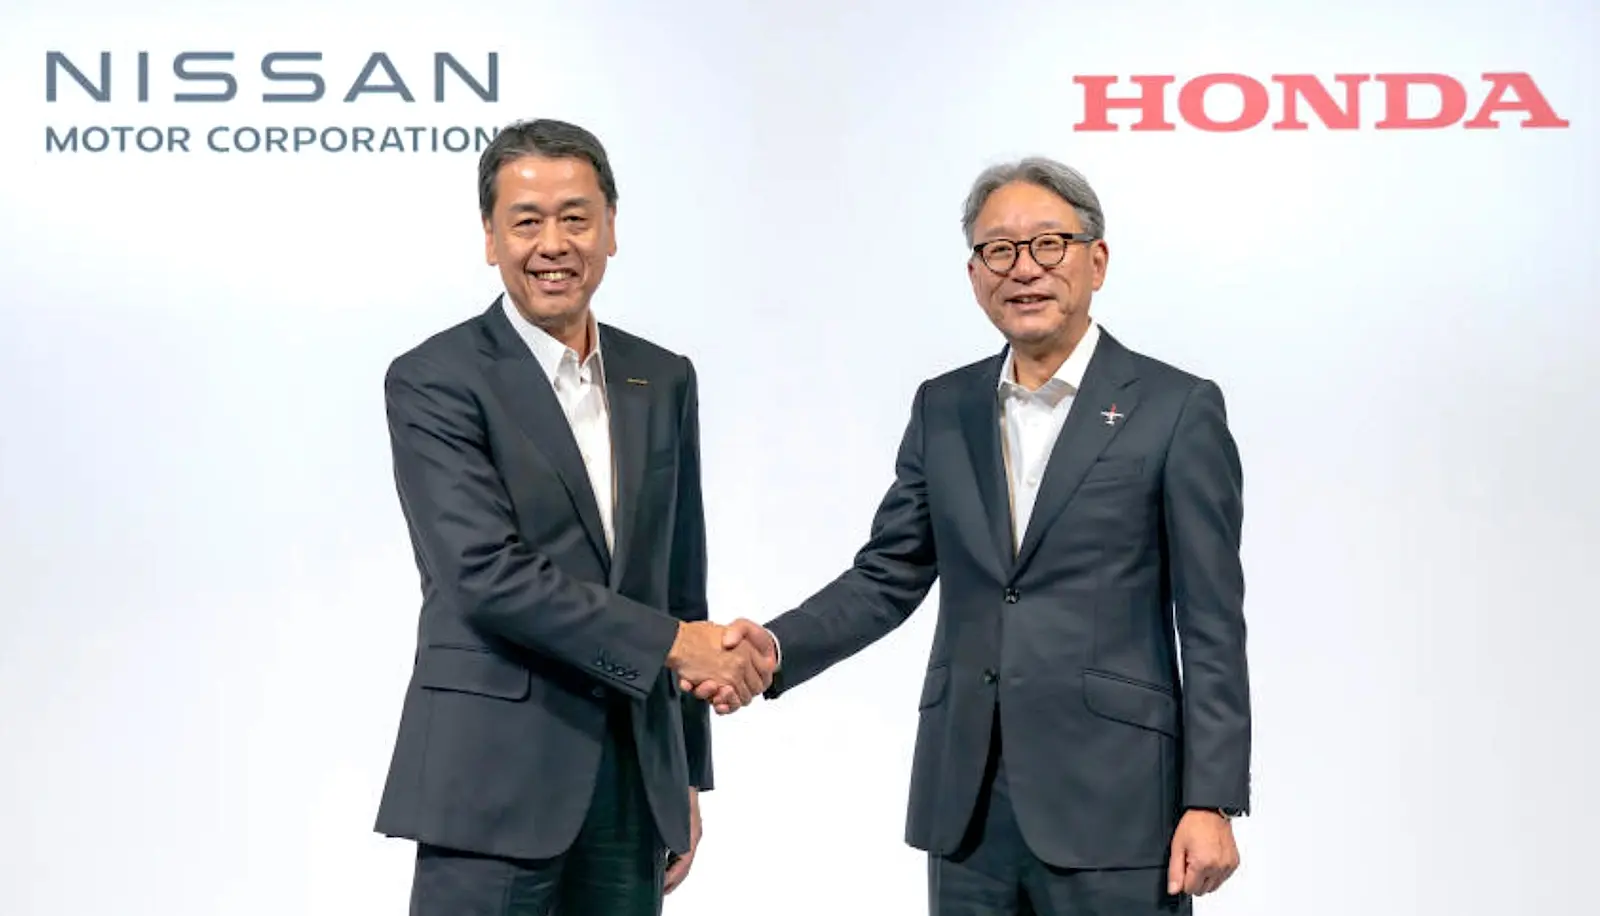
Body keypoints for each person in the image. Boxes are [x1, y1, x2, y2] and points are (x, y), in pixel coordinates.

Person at [693, 157, 1252, 915]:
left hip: (1119, 802)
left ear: (1096, 260)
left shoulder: (1175, 408)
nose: (1023, 269)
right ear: (974, 274)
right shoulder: (945, 407)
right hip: (969, 807)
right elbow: (888, 574)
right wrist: (774, 649)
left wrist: (1211, 799)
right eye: (999, 250)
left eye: (1048, 244)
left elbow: (1212, 619)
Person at [373, 118, 772, 916]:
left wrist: (685, 776)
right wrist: (673, 644)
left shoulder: (662, 377)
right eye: (526, 221)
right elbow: (486, 575)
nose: (553, 244)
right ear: (490, 237)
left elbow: (678, 583)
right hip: (490, 782)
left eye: (576, 218)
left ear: (611, 229)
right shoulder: (434, 379)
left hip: (632, 784)